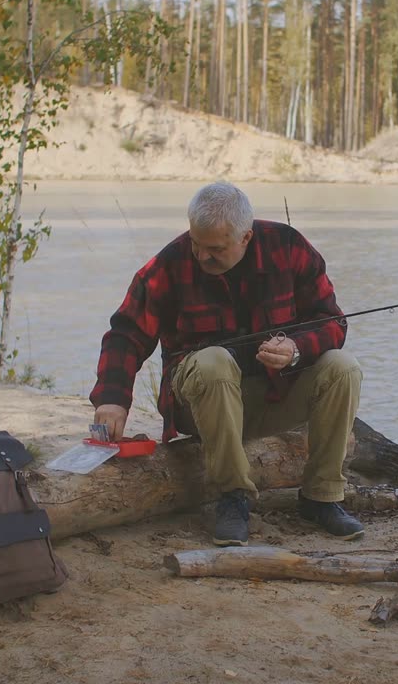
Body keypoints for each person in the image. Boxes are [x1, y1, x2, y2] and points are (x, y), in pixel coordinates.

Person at [90, 181, 364, 547]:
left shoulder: (288, 248)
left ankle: (322, 497)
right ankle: (231, 497)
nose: (201, 257)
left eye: (215, 249)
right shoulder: (169, 265)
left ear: (246, 237)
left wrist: (296, 348)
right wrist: (112, 398)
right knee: (214, 361)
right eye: (195, 244)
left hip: (272, 396)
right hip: (198, 402)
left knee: (343, 367)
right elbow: (126, 332)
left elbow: (332, 322)